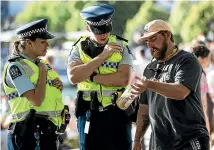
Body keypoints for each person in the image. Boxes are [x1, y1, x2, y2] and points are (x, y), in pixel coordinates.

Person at [131, 19, 210, 150]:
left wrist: (149, 84)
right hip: (160, 144)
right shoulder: (150, 68)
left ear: (167, 36)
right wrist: (137, 140)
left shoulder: (187, 60)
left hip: (189, 141)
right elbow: (144, 109)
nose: (149, 45)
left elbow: (180, 91)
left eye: (153, 39)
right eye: (147, 41)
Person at [67, 4, 133, 150]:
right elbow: (73, 76)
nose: (103, 35)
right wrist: (103, 56)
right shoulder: (78, 48)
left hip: (118, 111)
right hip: (90, 113)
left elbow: (123, 79)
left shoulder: (122, 46)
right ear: (88, 29)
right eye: (98, 31)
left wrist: (89, 76)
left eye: (106, 29)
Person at [3, 19, 69, 150]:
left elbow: (50, 93)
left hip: (47, 132)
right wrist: (43, 73)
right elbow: (36, 100)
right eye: (43, 42)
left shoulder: (43, 65)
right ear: (29, 43)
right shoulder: (15, 67)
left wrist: (58, 87)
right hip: (26, 134)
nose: (47, 45)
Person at [192, 43, 211, 135]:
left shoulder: (191, 72)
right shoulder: (200, 75)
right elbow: (203, 103)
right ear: (201, 59)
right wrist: (206, 124)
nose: (209, 61)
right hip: (199, 120)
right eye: (208, 58)